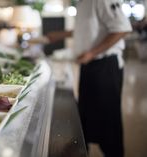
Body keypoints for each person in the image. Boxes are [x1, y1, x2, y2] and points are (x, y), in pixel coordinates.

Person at [46, 0, 132, 157]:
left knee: (108, 122)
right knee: (86, 115)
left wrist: (92, 53)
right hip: (89, 66)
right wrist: (61, 34)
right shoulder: (82, 2)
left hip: (105, 67)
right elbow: (89, 30)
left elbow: (122, 29)